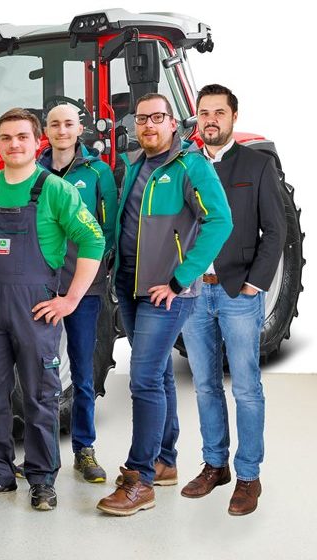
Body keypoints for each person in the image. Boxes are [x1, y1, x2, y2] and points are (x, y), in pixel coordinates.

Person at [0, 108, 104, 511]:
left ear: (37, 141)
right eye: (6, 137)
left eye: (22, 137)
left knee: (41, 397)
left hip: (36, 308)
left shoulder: (55, 190)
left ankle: (41, 479)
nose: (14, 144)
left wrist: (71, 299)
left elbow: (93, 241)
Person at [97, 93, 232, 517]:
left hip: (165, 292)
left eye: (157, 117)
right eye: (142, 119)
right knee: (158, 377)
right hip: (132, 285)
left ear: (174, 123)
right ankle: (166, 461)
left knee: (143, 381)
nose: (149, 125)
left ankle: (140, 479)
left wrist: (180, 278)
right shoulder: (137, 163)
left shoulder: (192, 165)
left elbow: (220, 221)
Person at [179, 84, 285, 516]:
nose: (210, 120)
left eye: (218, 112)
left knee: (245, 388)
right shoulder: (183, 165)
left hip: (238, 292)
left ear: (233, 117)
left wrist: (255, 284)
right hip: (194, 293)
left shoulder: (257, 165)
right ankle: (215, 465)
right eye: (203, 112)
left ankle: (248, 475)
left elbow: (275, 231)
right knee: (204, 386)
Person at [36, 104, 118, 482]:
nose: (62, 130)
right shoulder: (32, 172)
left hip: (84, 288)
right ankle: (42, 452)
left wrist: (96, 275)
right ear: (46, 130)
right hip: (39, 285)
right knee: (38, 372)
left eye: (69, 123)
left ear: (80, 128)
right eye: (55, 124)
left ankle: (84, 449)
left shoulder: (98, 173)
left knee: (82, 372)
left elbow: (109, 230)